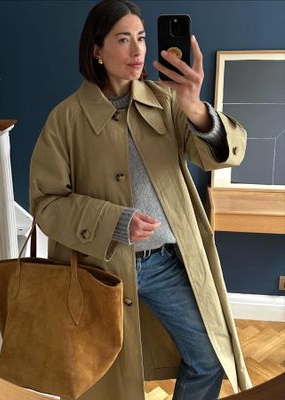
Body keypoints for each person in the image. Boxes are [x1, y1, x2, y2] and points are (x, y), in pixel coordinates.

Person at [29, 1, 252, 399]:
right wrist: (113, 221)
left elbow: (217, 154)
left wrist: (194, 106)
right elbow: (45, 203)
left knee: (211, 357)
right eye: (123, 39)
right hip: (99, 272)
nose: (137, 51)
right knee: (102, 383)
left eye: (142, 39)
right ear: (97, 50)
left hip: (163, 263)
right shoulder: (65, 119)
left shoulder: (165, 101)